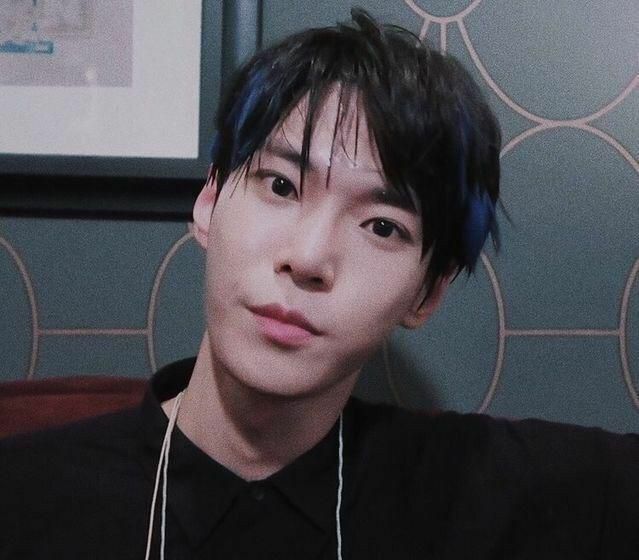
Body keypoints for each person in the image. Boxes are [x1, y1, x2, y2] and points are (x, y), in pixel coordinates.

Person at [2, 8, 638, 559]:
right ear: (210, 202)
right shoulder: (28, 494)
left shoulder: (475, 492)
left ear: (427, 294)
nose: (308, 258)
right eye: (280, 186)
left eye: (382, 226)